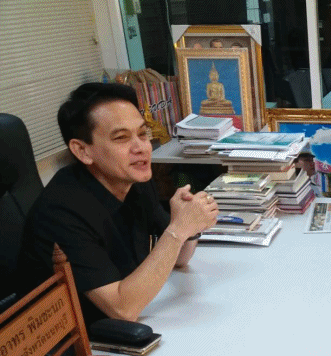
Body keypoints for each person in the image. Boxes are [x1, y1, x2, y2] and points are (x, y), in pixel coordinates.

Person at [16, 83, 218, 325]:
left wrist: (189, 225)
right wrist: (178, 229)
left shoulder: (134, 179)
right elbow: (123, 310)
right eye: (121, 138)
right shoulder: (60, 213)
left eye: (142, 134)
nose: (141, 148)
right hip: (72, 338)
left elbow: (178, 259)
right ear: (82, 151)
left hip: (129, 319)